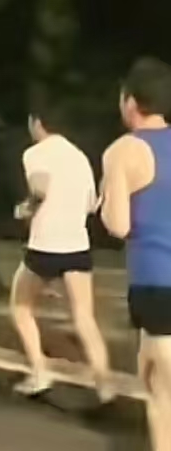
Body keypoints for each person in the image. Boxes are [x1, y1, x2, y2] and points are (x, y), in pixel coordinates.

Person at [9, 107, 113, 400]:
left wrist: (24, 209)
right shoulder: (78, 156)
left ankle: (40, 373)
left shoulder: (35, 153)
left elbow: (39, 189)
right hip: (77, 244)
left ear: (37, 123)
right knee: (84, 317)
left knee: (20, 306)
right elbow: (91, 205)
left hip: (45, 245)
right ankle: (105, 384)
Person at [100, 57, 171, 451]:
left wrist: (106, 199)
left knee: (161, 387)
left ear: (130, 102)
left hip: (157, 282)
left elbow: (118, 224)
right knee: (153, 378)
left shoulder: (125, 150)